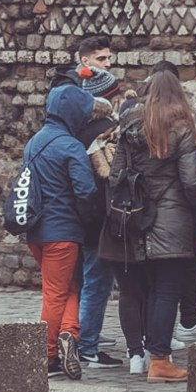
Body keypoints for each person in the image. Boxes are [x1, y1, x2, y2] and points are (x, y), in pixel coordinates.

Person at [97, 69, 196, 382]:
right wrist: (194, 210)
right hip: (172, 220)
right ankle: (159, 360)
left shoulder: (129, 128)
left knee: (140, 291)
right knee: (166, 290)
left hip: (135, 219)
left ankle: (144, 355)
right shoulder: (182, 128)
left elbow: (116, 177)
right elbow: (192, 181)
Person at [20, 82, 100, 379]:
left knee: (66, 287)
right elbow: (86, 190)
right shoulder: (71, 146)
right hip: (63, 232)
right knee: (55, 292)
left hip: (35, 231)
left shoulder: (34, 142)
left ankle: (69, 333)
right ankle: (49, 355)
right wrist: (87, 219)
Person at [65, 39, 126, 370]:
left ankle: (80, 336)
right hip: (97, 216)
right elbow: (106, 176)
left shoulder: (74, 126)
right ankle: (88, 345)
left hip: (77, 216)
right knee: (97, 282)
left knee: (81, 282)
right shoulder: (103, 130)